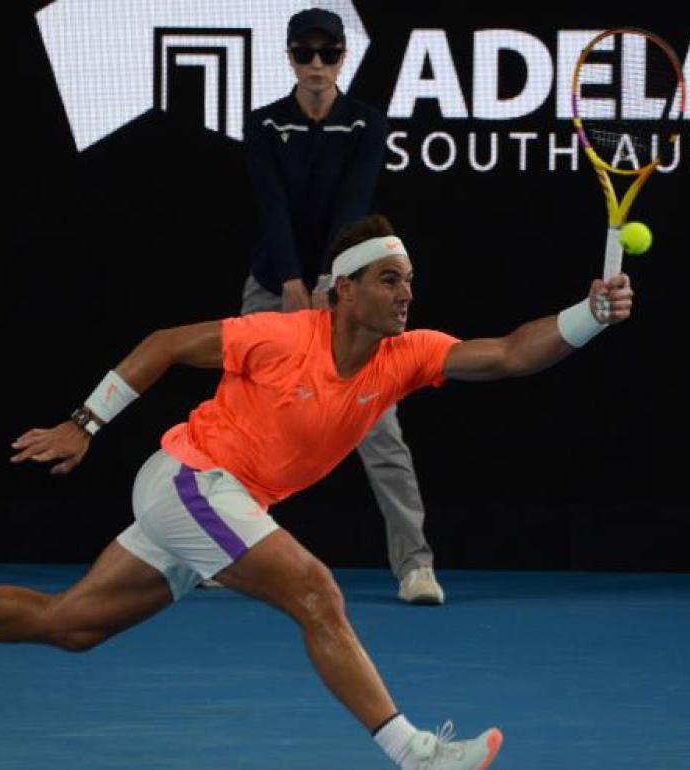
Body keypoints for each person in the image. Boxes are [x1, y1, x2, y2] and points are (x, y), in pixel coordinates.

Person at [0, 214, 634, 770]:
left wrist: (588, 316)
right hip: (188, 481)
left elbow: (508, 355)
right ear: (344, 291)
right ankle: (412, 751)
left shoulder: (407, 354)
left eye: (410, 282)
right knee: (316, 593)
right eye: (390, 281)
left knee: (71, 625)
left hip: (212, 501)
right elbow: (164, 345)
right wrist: (85, 423)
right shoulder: (285, 336)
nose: (406, 294)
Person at [242, 8, 443, 604]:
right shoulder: (264, 124)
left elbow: (353, 209)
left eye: (327, 53)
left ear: (341, 58)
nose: (316, 65)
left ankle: (415, 565)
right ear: (289, 57)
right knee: (244, 423)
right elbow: (271, 205)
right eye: (304, 53)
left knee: (378, 429)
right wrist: (290, 280)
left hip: (346, 291)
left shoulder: (365, 125)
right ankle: (218, 547)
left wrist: (329, 282)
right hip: (273, 285)